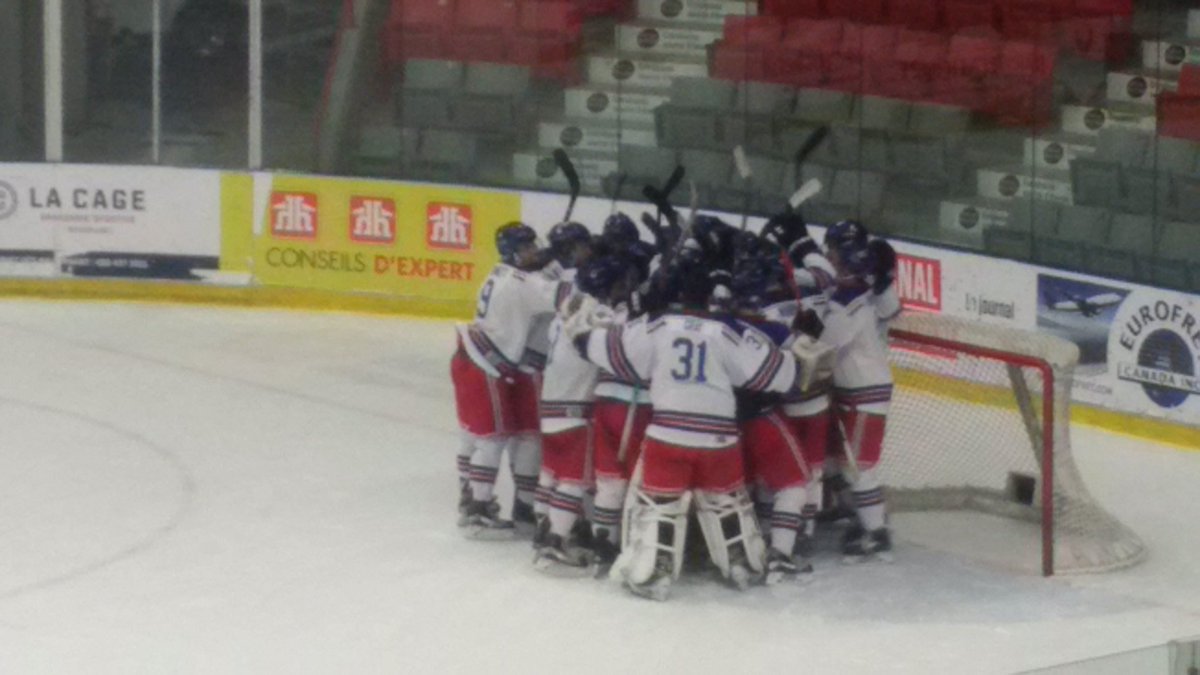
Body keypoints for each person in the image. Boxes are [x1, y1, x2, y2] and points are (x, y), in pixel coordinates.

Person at [566, 248, 833, 599]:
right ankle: (743, 562)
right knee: (727, 503)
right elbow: (781, 374)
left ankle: (653, 573)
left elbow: (608, 350)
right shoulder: (727, 330)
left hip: (667, 436)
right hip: (721, 439)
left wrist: (581, 333)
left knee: (660, 505)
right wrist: (801, 349)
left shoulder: (656, 325)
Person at [451, 222, 573, 539]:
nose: (534, 251)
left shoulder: (499, 272)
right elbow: (565, 297)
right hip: (489, 365)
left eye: (535, 245)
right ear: (514, 253)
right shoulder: (521, 284)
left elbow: (535, 279)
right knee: (494, 439)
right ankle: (478, 510)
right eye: (528, 247)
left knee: (484, 436)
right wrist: (562, 260)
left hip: (475, 358)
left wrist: (546, 258)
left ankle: (475, 501)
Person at [533, 255, 632, 576]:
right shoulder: (598, 313)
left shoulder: (567, 309)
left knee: (555, 475)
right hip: (575, 409)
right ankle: (555, 542)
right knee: (574, 481)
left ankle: (545, 531)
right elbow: (621, 343)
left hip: (550, 405)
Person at [817, 220, 898, 561]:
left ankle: (877, 533)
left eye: (832, 251)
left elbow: (825, 344)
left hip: (865, 390)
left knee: (857, 466)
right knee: (836, 462)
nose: (828, 256)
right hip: (851, 389)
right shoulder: (854, 291)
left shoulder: (851, 301)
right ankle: (857, 516)